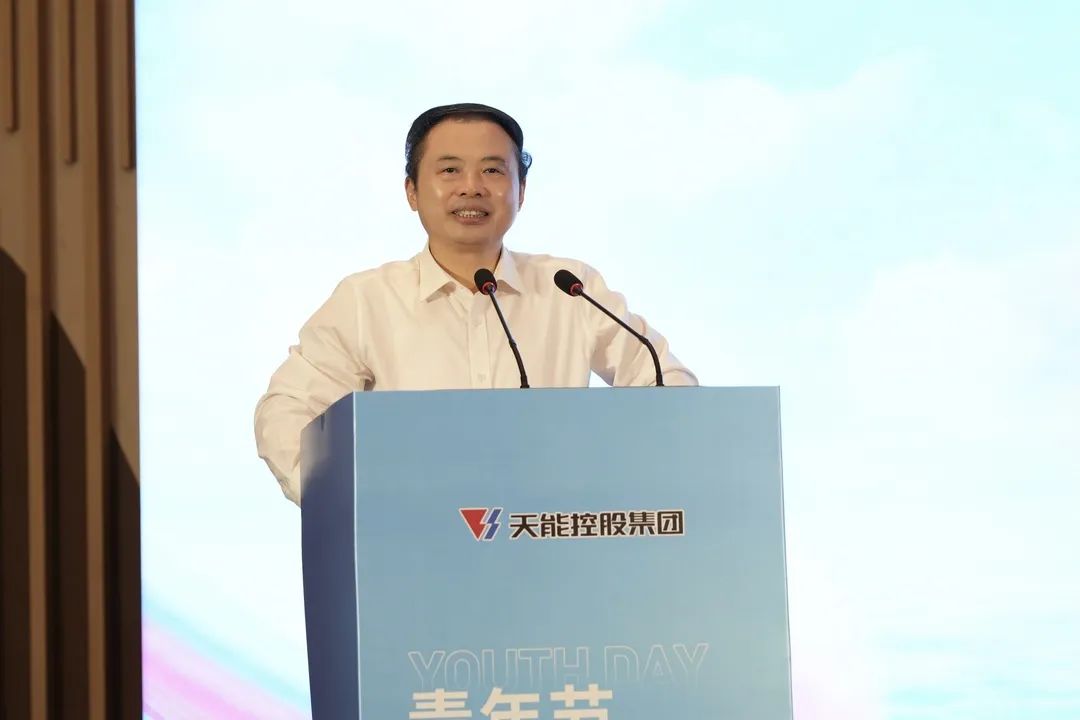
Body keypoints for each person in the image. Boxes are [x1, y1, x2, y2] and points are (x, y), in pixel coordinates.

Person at [254, 103, 697, 504]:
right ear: (412, 191)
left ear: (521, 190)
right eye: (449, 170)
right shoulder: (367, 300)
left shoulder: (570, 289)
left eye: (492, 170)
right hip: (414, 543)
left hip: (551, 536)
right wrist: (349, 504)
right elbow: (287, 410)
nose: (471, 187)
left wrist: (618, 484)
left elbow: (667, 383)